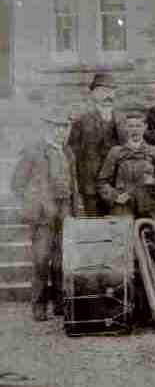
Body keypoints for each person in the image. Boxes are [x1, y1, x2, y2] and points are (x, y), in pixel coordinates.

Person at [12, 107, 81, 321]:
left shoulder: (68, 152)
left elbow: (73, 183)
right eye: (57, 127)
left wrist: (73, 210)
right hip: (43, 215)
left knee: (62, 262)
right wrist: (35, 202)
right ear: (47, 128)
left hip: (65, 212)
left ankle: (60, 304)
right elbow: (17, 184)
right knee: (42, 260)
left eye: (65, 127)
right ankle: (39, 306)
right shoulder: (33, 151)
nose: (61, 132)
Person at [97, 111, 155, 217]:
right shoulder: (116, 152)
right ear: (126, 128)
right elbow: (102, 182)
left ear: (145, 127)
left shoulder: (154, 151)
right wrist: (115, 196)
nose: (135, 130)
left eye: (138, 126)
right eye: (131, 126)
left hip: (148, 206)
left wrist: (154, 182)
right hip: (123, 205)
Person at [68, 72, 121, 215]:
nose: (108, 95)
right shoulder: (82, 121)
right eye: (103, 91)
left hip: (114, 184)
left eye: (111, 91)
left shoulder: (121, 120)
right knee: (94, 224)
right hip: (90, 185)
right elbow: (73, 152)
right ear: (93, 94)